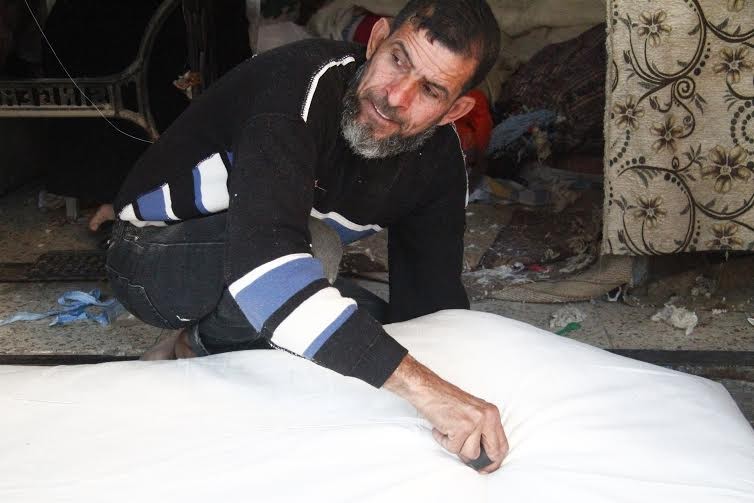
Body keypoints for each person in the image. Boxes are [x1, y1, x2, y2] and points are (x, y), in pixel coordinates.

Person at [106, 0, 508, 473]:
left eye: (431, 90)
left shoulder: (438, 165)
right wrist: (426, 392)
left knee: (378, 332)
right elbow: (267, 266)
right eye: (398, 60)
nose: (395, 97)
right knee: (317, 258)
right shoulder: (298, 86)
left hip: (260, 251)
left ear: (454, 110)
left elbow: (431, 306)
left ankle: (222, 337)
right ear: (376, 41)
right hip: (151, 257)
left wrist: (456, 403)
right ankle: (193, 347)